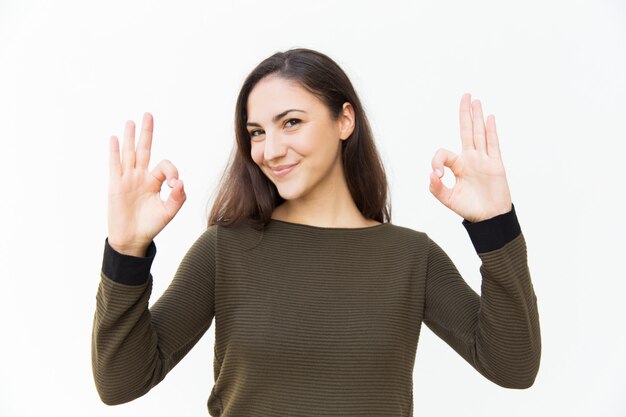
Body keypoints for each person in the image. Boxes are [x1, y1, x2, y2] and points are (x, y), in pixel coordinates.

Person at [92, 48, 541, 416]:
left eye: (291, 122)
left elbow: (513, 367)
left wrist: (495, 224)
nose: (270, 150)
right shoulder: (225, 251)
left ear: (344, 120)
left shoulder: (410, 257)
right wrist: (126, 251)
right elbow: (121, 382)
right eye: (256, 132)